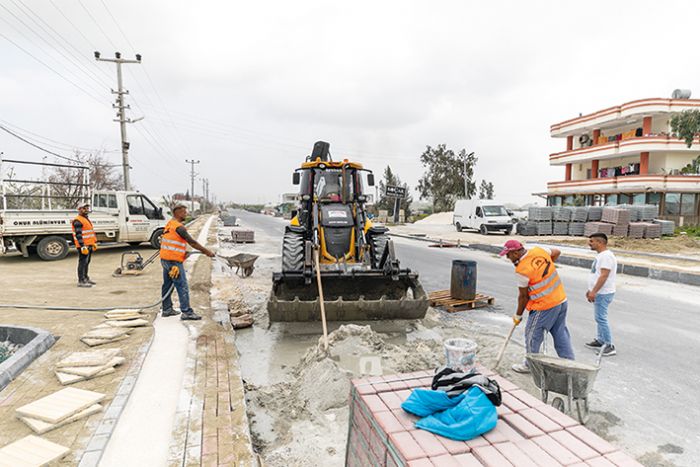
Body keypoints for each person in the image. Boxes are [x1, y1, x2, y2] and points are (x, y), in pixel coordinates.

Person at [499, 239, 575, 373]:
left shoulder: (522, 270)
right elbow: (556, 252)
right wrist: (546, 267)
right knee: (560, 332)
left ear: (516, 253)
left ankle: (530, 365)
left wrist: (518, 315)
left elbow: (523, 297)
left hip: (544, 306)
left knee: (532, 335)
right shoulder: (539, 250)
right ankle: (570, 364)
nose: (508, 257)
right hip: (561, 300)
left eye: (508, 254)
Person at [160, 205, 215, 320]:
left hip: (165, 259)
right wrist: (207, 252)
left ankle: (167, 309)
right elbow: (193, 242)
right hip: (173, 262)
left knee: (167, 284)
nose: (186, 214)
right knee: (182, 285)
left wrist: (183, 253)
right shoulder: (180, 227)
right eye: (184, 213)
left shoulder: (170, 224)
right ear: (178, 213)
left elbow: (172, 242)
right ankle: (187, 312)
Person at [585, 233, 617, 356]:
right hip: (599, 291)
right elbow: (596, 274)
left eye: (592, 241)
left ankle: (609, 345)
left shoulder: (606, 257)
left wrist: (594, 291)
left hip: (603, 293)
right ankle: (600, 340)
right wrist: (590, 289)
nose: (589, 243)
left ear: (600, 242)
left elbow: (604, 276)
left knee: (601, 318)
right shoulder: (601, 256)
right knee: (599, 317)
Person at [72, 203, 97, 288]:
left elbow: (89, 233)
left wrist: (93, 243)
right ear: (79, 209)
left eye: (87, 208)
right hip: (83, 246)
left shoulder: (85, 219)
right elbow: (78, 234)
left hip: (88, 245)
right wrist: (82, 246)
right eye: (84, 208)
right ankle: (81, 281)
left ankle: (86, 278)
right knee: (82, 263)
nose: (86, 209)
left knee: (86, 262)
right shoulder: (78, 220)